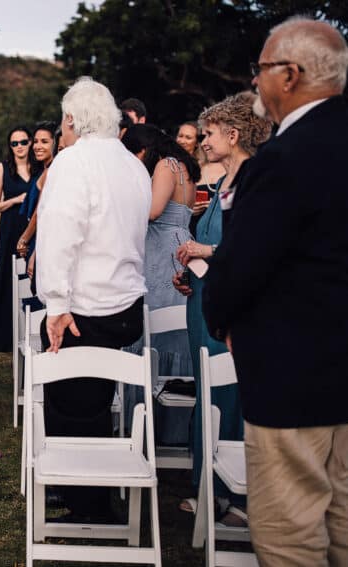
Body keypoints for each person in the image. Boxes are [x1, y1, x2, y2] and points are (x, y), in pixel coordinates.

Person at [203, 17, 348, 565]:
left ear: (289, 74)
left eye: (260, 70)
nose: (255, 82)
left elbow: (241, 266)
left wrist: (222, 320)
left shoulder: (284, 159)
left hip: (296, 378)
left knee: (291, 533)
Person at [36, 77, 151, 522]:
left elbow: (61, 238)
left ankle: (87, 502)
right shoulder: (132, 165)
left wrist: (57, 305)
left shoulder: (74, 162)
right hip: (125, 304)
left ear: (70, 120)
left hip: (86, 308)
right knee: (96, 400)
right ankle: (86, 491)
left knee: (73, 405)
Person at [172, 92, 271, 525]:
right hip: (204, 302)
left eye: (209, 134)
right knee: (208, 393)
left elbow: (255, 248)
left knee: (231, 397)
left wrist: (204, 250)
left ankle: (239, 498)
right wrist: (191, 271)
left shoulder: (255, 181)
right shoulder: (222, 182)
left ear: (232, 134)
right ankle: (206, 488)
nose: (204, 142)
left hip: (234, 311)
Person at [121, 124, 198, 378]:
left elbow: (153, 211)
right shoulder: (183, 165)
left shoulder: (166, 166)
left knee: (158, 325)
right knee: (171, 329)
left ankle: (151, 396)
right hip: (178, 243)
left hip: (163, 252)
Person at [0, 126, 35, 352]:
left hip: (32, 228)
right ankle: (4, 337)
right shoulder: (2, 168)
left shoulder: (39, 169)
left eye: (23, 142)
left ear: (30, 142)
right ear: (10, 147)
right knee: (7, 276)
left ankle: (31, 332)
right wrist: (16, 200)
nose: (19, 147)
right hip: (10, 227)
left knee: (30, 276)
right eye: (14, 144)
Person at [15, 122, 57, 263]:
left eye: (44, 142)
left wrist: (24, 239)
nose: (37, 146)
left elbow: (40, 210)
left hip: (42, 240)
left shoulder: (52, 171)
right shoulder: (42, 170)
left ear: (55, 144)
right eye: (36, 141)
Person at [177, 121, 225, 233]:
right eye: (180, 136)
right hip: (192, 229)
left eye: (188, 137)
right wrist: (189, 210)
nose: (182, 141)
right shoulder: (193, 168)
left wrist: (215, 207)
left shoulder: (232, 168)